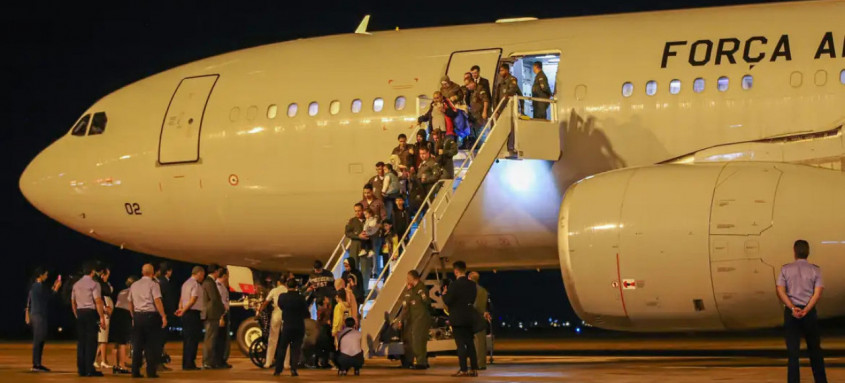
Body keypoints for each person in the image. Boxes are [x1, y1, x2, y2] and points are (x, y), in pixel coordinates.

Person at [776, 240, 828, 383]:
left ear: (794, 252)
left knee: (793, 353)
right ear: (808, 252)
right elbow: (817, 293)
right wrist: (806, 309)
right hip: (809, 313)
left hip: (792, 314)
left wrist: (793, 308)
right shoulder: (815, 270)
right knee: (815, 351)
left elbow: (780, 290)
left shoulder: (785, 269)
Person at [128, 264, 168, 378]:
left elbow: (130, 302)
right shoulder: (153, 284)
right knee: (151, 345)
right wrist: (163, 316)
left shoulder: (134, 285)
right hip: (150, 316)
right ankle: (151, 371)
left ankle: (135, 371)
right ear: (153, 272)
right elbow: (157, 301)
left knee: (137, 345)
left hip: (138, 316)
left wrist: (133, 315)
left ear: (142, 272)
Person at [442, 261, 479, 377]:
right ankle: (474, 369)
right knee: (470, 344)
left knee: (460, 345)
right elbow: (472, 300)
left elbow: (448, 301)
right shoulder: (472, 285)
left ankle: (463, 369)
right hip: (469, 317)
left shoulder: (454, 285)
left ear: (456, 271)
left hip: (457, 319)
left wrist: (444, 294)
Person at [71, 262, 106, 377]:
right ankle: (89, 369)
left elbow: (73, 301)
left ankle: (81, 369)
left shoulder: (76, 284)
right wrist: (101, 317)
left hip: (80, 312)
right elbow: (98, 301)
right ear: (92, 272)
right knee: (91, 342)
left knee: (81, 342)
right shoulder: (94, 284)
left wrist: (76, 313)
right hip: (90, 313)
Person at [26, 266, 62, 372]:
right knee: (39, 339)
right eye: (45, 274)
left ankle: (37, 363)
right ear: (40, 275)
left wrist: (53, 288)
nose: (46, 276)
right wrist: (56, 288)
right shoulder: (39, 286)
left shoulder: (34, 286)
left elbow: (44, 296)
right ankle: (36, 364)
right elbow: (49, 298)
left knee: (39, 339)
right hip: (39, 315)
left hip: (36, 314)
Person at [274, 279, 309, 377]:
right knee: (296, 349)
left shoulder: (282, 297)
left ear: (286, 285)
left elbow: (280, 306)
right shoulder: (301, 298)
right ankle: (293, 369)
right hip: (299, 325)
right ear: (296, 286)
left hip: (287, 325)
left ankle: (278, 370)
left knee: (282, 348)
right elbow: (306, 312)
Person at [398, 270, 432, 369]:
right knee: (415, 340)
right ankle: (420, 361)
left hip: (420, 318)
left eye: (409, 278)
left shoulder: (421, 290)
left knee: (418, 340)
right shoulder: (413, 290)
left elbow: (426, 303)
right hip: (414, 319)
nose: (407, 280)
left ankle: (421, 362)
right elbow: (407, 305)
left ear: (414, 278)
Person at [175, 266, 205, 370]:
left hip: (186, 313)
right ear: (199, 273)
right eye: (202, 275)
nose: (203, 278)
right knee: (193, 340)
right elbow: (193, 299)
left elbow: (181, 298)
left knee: (187, 339)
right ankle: (190, 363)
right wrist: (183, 310)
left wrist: (180, 308)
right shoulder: (195, 284)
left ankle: (186, 363)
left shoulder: (185, 283)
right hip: (192, 313)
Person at [258, 275, 288, 369]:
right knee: (286, 339)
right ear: (286, 282)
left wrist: (259, 311)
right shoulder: (287, 291)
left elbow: (266, 302)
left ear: (278, 282)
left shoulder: (274, 290)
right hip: (286, 314)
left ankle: (268, 362)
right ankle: (286, 363)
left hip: (276, 314)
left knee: (272, 339)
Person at [109, 276, 135, 375]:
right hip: (125, 314)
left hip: (116, 313)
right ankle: (122, 365)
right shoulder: (134, 291)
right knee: (123, 342)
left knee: (116, 342)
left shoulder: (122, 291)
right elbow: (131, 306)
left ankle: (115, 366)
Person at [201, 264, 225, 369]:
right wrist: (222, 310)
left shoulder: (208, 282)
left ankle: (210, 361)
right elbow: (214, 299)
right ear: (215, 272)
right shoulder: (209, 283)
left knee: (211, 338)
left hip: (210, 313)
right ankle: (207, 362)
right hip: (211, 314)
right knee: (210, 339)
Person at [155, 262, 177, 372]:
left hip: (163, 314)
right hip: (164, 314)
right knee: (160, 340)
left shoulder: (159, 282)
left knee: (160, 340)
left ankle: (158, 362)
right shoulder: (163, 283)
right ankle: (158, 363)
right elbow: (165, 300)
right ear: (168, 271)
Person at [468, 272, 492, 370]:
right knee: (481, 343)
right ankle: (481, 363)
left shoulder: (470, 290)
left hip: (473, 317)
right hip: (482, 318)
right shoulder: (484, 291)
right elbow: (488, 305)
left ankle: (476, 364)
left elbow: (473, 305)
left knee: (474, 343)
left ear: (469, 278)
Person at [345, 203, 370, 290]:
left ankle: (364, 290)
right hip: (355, 245)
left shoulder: (368, 219)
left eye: (359, 211)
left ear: (363, 210)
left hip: (365, 246)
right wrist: (357, 236)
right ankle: (353, 288)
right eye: (356, 211)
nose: (357, 213)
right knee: (353, 267)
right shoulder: (352, 221)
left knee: (365, 269)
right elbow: (347, 233)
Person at [94, 267, 114, 370]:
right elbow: (99, 299)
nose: (107, 277)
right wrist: (105, 308)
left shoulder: (104, 284)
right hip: (104, 313)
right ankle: (103, 361)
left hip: (107, 313)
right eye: (106, 275)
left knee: (103, 338)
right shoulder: (99, 286)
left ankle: (95, 360)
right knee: (103, 339)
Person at [214, 267, 232, 368]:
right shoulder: (218, 287)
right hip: (221, 315)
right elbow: (219, 303)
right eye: (228, 275)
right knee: (220, 339)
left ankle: (221, 360)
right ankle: (219, 361)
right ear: (224, 276)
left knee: (223, 339)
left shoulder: (222, 286)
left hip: (224, 313)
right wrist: (221, 317)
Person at [315, 296, 335, 369]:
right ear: (323, 301)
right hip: (323, 328)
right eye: (326, 298)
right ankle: (321, 361)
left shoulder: (328, 308)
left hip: (327, 328)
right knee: (324, 344)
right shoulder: (321, 309)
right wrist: (325, 322)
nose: (328, 299)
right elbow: (319, 319)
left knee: (327, 345)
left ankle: (324, 361)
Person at [362, 207, 382, 275]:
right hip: (369, 235)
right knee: (370, 252)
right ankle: (371, 271)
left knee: (374, 253)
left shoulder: (373, 220)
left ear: (370, 214)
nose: (365, 216)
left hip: (374, 236)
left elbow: (374, 225)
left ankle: (375, 271)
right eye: (364, 214)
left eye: (366, 214)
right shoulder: (367, 220)